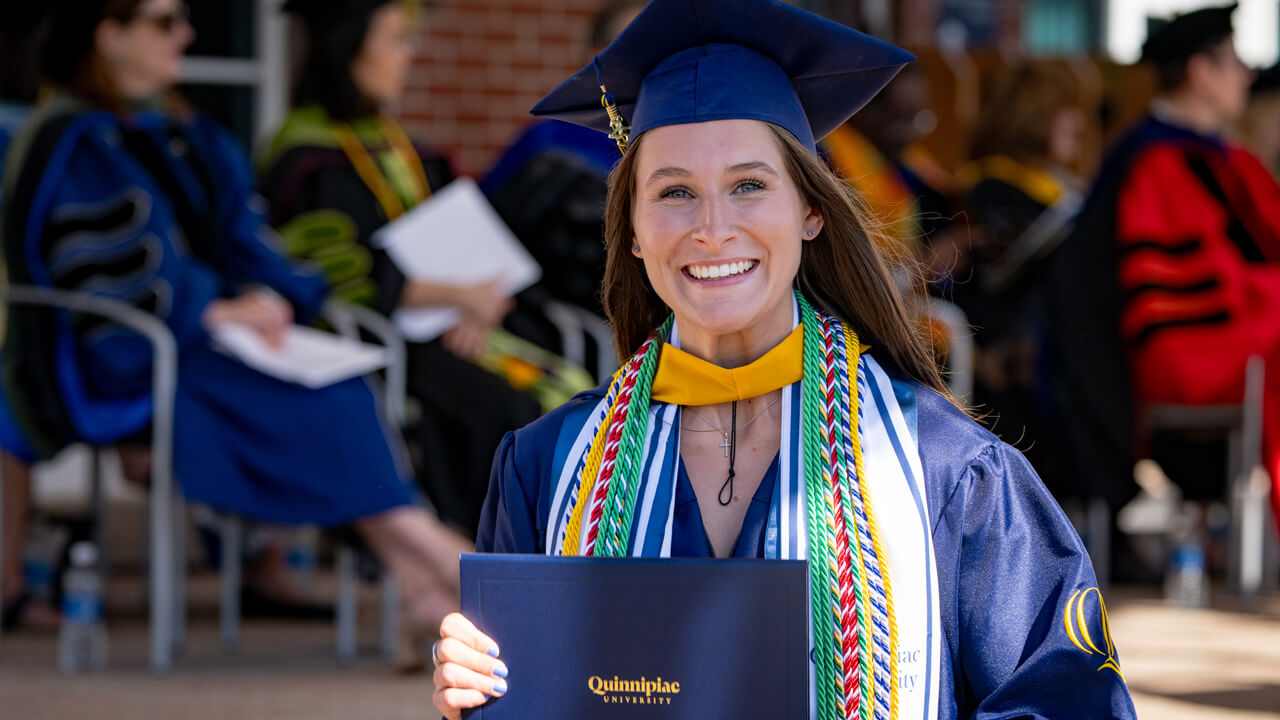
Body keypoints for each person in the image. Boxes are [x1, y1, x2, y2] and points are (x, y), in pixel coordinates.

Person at [430, 1, 1137, 718]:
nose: (712, 229)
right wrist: (477, 698)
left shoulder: (949, 474)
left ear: (810, 210)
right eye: (674, 192)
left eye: (749, 185)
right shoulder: (546, 469)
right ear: (634, 231)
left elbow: (1068, 702)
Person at [2, 0, 472, 649]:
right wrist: (212, 309)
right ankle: (439, 555)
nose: (187, 34)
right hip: (115, 350)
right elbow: (107, 267)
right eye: (164, 22)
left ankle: (418, 579)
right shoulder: (70, 139)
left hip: (202, 342)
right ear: (109, 35)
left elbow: (243, 240)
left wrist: (276, 295)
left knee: (333, 376)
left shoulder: (187, 131)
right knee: (314, 393)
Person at [260, 0, 546, 536]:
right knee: (502, 409)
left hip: (457, 331)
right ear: (347, 49)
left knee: (569, 396)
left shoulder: (403, 147)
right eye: (395, 39)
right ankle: (482, 556)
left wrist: (480, 308)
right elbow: (336, 280)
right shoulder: (307, 156)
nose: (409, 56)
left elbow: (477, 247)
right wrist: (458, 298)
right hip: (376, 345)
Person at [1048, 4, 1280, 523]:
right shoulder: (1152, 161)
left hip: (1242, 332)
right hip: (1189, 347)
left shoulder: (1226, 157)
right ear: (1200, 73)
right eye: (1235, 61)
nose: (1248, 74)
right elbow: (1193, 286)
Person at [956, 61, 1088, 501]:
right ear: (1034, 114)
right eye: (1065, 110)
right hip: (1005, 366)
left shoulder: (1054, 187)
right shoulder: (990, 190)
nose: (1079, 122)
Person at [480, 0, 642, 319]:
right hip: (568, 325)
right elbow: (484, 229)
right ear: (596, 59)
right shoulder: (552, 143)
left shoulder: (673, 145)